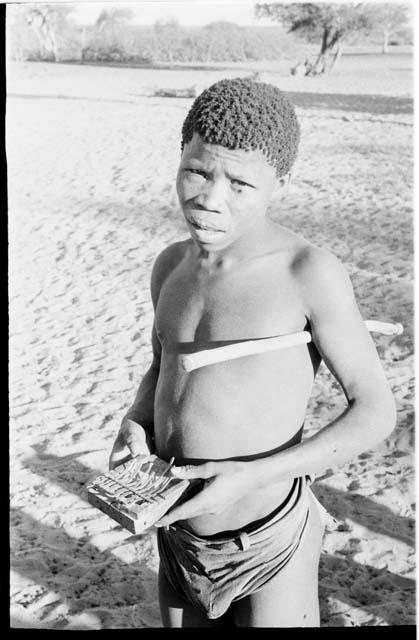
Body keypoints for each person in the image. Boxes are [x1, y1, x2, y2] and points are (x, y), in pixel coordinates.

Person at [108, 78, 396, 628]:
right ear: (181, 156)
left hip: (269, 540)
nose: (210, 199)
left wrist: (255, 476)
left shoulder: (305, 272)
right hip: (179, 531)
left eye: (240, 182)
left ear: (279, 184)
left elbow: (375, 411)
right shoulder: (170, 267)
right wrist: (137, 419)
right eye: (197, 170)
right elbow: (162, 363)